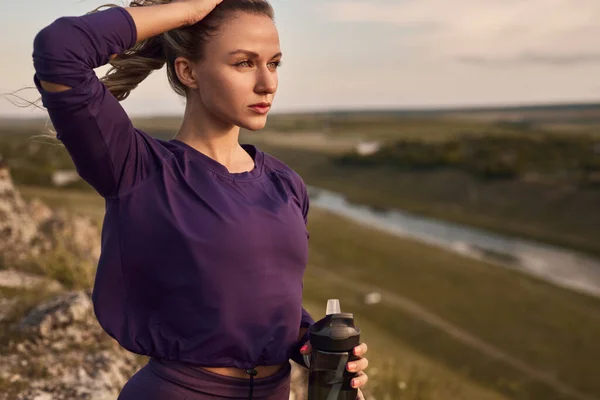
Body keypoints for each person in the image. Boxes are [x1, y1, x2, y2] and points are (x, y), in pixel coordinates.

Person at [31, 0, 369, 399]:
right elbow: (60, 48)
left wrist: (315, 347)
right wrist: (190, 10)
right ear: (188, 70)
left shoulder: (285, 183)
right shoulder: (137, 169)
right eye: (244, 63)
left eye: (274, 63)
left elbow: (261, 299)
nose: (268, 83)